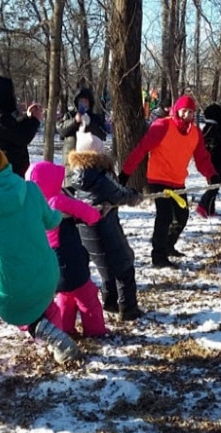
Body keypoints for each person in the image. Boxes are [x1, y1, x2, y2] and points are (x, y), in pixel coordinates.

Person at [0, 140, 79, 363]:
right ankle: (57, 347)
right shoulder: (30, 188)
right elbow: (51, 220)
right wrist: (58, 212)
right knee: (47, 305)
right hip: (46, 269)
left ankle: (49, 336)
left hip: (14, 279)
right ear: (3, 162)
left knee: (14, 311)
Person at [121, 94, 217, 268]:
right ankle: (158, 256)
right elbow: (141, 149)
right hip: (158, 178)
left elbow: (202, 158)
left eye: (190, 112)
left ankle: (167, 245)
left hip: (178, 181)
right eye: (184, 111)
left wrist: (212, 175)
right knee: (164, 216)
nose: (187, 115)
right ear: (177, 111)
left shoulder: (194, 133)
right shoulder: (162, 126)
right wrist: (125, 174)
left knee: (182, 216)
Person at [69, 123, 145, 321]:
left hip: (87, 232)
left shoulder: (76, 178)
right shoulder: (101, 178)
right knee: (124, 265)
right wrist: (135, 195)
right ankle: (128, 309)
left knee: (106, 267)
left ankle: (110, 302)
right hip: (105, 228)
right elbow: (119, 194)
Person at [26, 161, 107, 336]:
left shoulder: (36, 205)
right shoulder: (57, 201)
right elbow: (88, 213)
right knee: (88, 297)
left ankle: (65, 329)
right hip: (69, 258)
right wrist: (97, 213)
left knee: (66, 295)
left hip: (52, 262)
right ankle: (96, 331)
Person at [0, 75, 42, 177]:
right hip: (10, 172)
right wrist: (35, 120)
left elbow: (12, 129)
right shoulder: (0, 118)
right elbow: (22, 138)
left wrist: (27, 117)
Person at [196, 103, 221, 217]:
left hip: (215, 160)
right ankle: (202, 205)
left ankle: (210, 209)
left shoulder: (208, 128)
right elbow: (218, 144)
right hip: (215, 161)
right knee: (214, 186)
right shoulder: (215, 129)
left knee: (214, 185)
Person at [57, 87, 107, 161]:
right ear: (76, 102)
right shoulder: (69, 115)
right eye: (81, 101)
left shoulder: (96, 118)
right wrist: (75, 121)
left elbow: (103, 135)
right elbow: (61, 130)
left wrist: (90, 124)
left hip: (91, 158)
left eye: (85, 101)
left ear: (90, 103)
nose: (83, 104)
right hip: (71, 158)